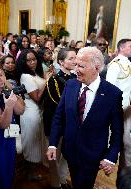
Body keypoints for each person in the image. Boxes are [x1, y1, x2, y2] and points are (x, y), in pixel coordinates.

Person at [47, 47, 123, 189]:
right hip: (70, 151)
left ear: (97, 67)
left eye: (80, 66)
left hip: (92, 155)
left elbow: (117, 131)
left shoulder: (113, 94)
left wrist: (111, 156)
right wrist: (52, 144)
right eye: (75, 64)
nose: (75, 69)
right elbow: (59, 116)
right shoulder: (70, 85)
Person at [43, 48, 76, 189]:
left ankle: (62, 180)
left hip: (71, 124)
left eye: (75, 58)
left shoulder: (76, 78)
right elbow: (58, 104)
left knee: (67, 155)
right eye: (71, 58)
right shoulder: (54, 80)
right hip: (55, 124)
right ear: (61, 62)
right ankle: (56, 184)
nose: (75, 61)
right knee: (54, 157)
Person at [16, 49, 52, 180]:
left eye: (34, 59)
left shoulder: (35, 73)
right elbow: (37, 97)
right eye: (29, 60)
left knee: (36, 141)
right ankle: (30, 173)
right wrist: (47, 80)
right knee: (31, 143)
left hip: (38, 111)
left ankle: (33, 170)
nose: (32, 62)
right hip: (31, 113)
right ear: (23, 62)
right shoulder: (25, 76)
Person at [106, 39, 131, 110]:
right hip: (116, 104)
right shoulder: (116, 64)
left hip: (125, 102)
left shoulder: (127, 62)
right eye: (130, 46)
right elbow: (109, 87)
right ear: (121, 48)